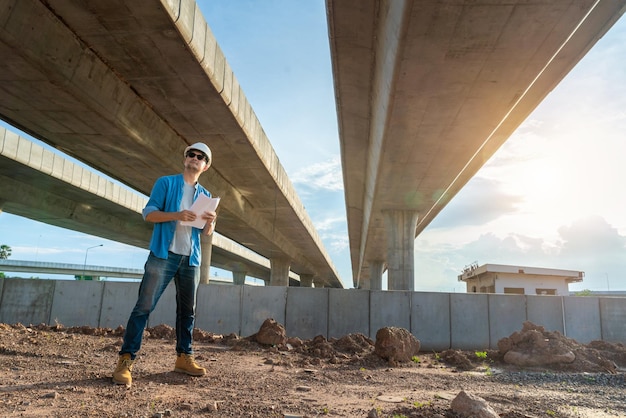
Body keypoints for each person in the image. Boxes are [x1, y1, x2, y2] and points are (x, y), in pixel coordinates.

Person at [112, 142, 217, 386]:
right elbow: (148, 213)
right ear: (185, 159)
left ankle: (184, 357)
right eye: (191, 154)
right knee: (143, 307)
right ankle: (126, 360)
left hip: (190, 259)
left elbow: (205, 232)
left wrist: (211, 222)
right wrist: (176, 215)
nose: (195, 158)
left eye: (200, 156)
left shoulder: (206, 196)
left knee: (187, 312)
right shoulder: (166, 183)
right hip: (163, 255)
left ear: (206, 165)